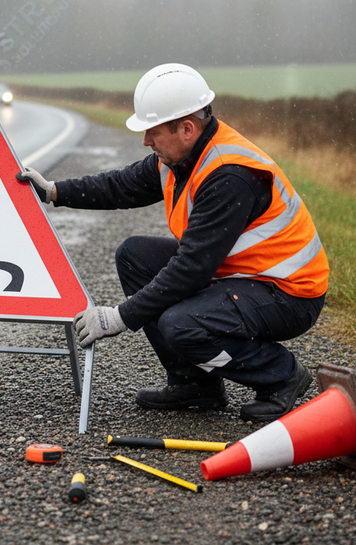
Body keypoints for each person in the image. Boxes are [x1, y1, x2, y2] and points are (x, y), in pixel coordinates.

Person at [17, 63, 328, 423]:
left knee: (182, 325)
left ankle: (281, 376)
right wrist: (55, 191)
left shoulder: (230, 174)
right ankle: (195, 386)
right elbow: (122, 185)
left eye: (152, 132)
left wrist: (119, 317)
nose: (146, 141)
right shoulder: (182, 155)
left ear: (186, 128)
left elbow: (191, 270)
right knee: (134, 255)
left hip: (288, 294)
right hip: (246, 277)